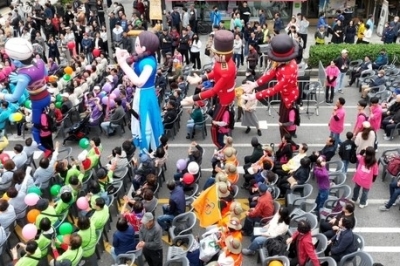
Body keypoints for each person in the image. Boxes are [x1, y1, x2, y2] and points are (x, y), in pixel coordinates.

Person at [183, 30, 236, 149]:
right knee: (215, 123)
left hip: (224, 99)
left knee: (214, 126)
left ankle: (221, 146)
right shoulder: (222, 63)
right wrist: (201, 79)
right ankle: (221, 146)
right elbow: (214, 73)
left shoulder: (226, 69)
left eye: (215, 54)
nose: (213, 55)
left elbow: (213, 91)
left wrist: (193, 98)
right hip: (223, 96)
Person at [242, 34, 299, 139]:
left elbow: (274, 89)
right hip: (286, 95)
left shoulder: (288, 70)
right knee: (281, 121)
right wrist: (255, 84)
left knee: (283, 124)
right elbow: (271, 73)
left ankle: (287, 143)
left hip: (288, 98)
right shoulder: (283, 63)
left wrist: (255, 96)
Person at [1, 38, 51, 157]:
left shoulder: (24, 76)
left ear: (17, 61)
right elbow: (45, 75)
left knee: (36, 129)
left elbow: (14, 97)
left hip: (37, 101)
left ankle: (45, 149)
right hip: (46, 95)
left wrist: (2, 95)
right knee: (46, 121)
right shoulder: (39, 61)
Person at [115, 31, 163, 152]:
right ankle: (147, 147)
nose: (135, 47)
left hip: (145, 94)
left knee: (145, 120)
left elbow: (139, 81)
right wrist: (126, 57)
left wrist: (122, 63)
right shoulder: (147, 57)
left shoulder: (149, 63)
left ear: (144, 47)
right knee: (142, 119)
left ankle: (148, 149)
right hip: (143, 93)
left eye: (137, 45)